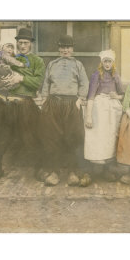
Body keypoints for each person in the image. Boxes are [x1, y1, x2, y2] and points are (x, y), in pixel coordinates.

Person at [0, 28, 46, 183]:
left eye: (26, 43)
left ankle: (39, 170)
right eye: (20, 42)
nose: (22, 45)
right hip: (5, 103)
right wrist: (1, 82)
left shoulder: (38, 61)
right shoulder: (9, 57)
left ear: (31, 44)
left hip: (24, 104)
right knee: (0, 136)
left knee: (32, 137)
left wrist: (21, 79)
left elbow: (37, 83)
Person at [39, 35, 90, 187]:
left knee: (72, 137)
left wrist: (80, 99)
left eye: (68, 47)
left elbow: (84, 84)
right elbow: (46, 83)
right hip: (53, 103)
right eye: (62, 47)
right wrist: (44, 99)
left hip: (71, 104)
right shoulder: (52, 64)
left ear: (72, 49)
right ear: (59, 49)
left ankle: (72, 172)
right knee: (52, 136)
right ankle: (54, 172)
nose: (65, 50)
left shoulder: (78, 65)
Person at [84, 49, 124, 180]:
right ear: (102, 62)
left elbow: (122, 94)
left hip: (112, 108)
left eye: (110, 61)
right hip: (99, 107)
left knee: (110, 137)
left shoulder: (115, 75)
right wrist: (88, 115)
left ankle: (107, 169)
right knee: (98, 136)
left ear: (113, 63)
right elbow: (91, 96)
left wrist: (116, 96)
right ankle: (94, 169)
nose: (107, 64)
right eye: (105, 61)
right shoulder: (96, 75)